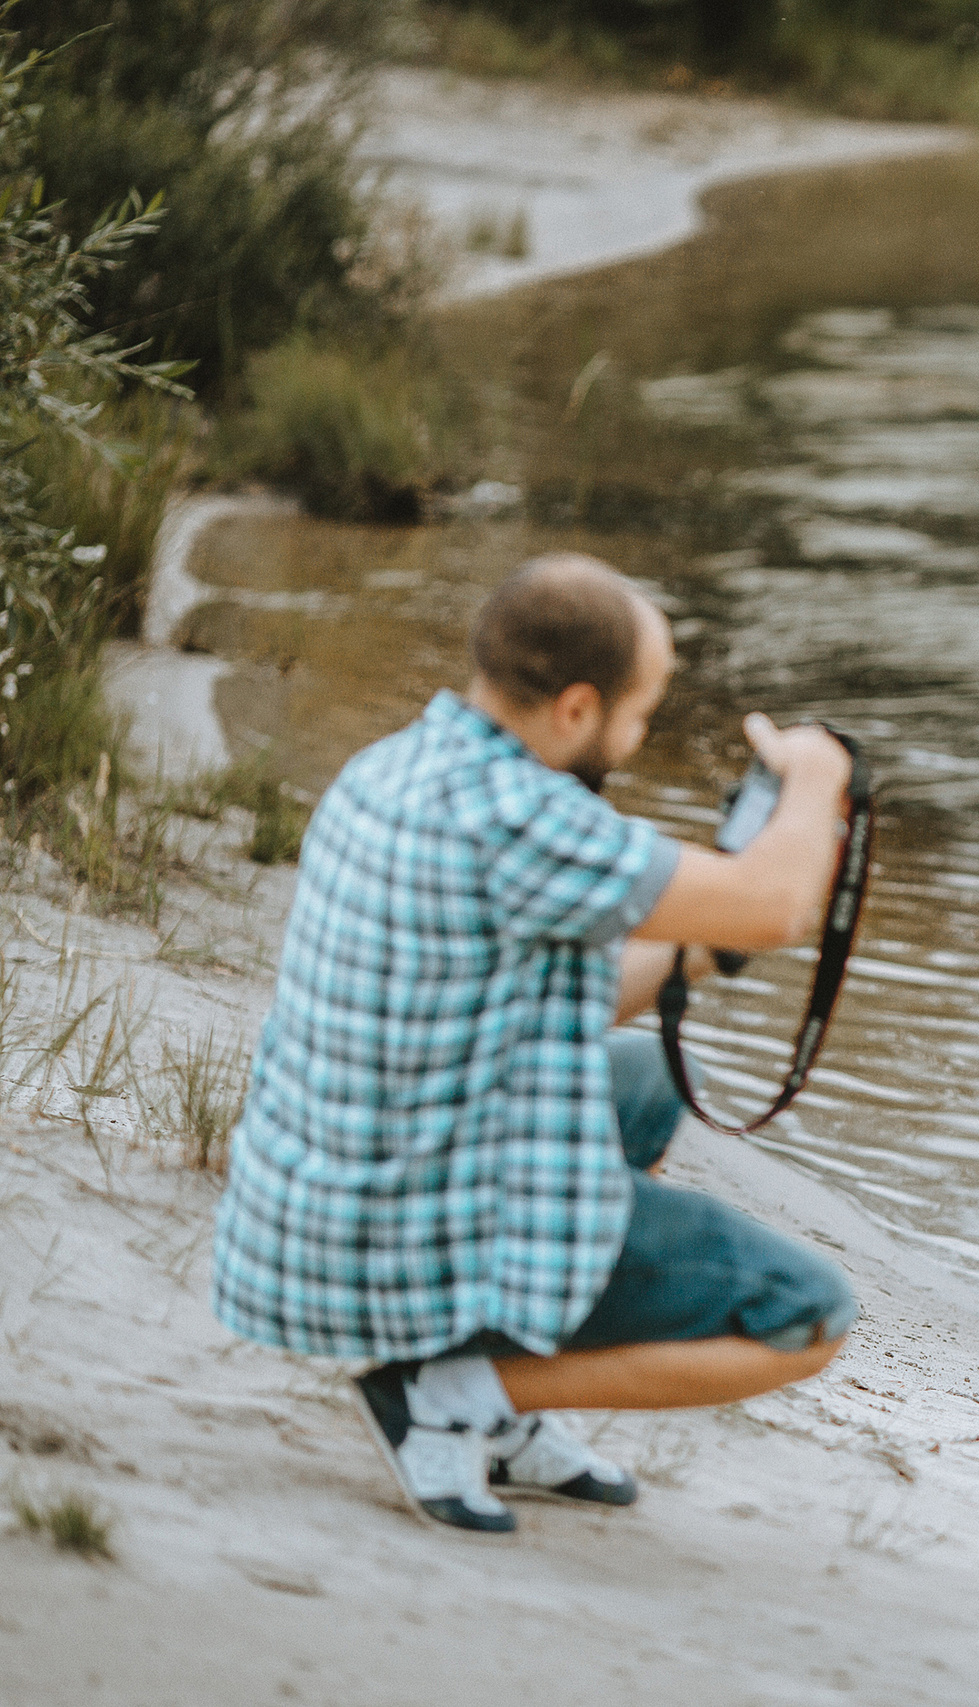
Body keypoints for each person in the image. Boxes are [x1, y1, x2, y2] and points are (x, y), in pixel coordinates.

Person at [211, 553, 861, 1535]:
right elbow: (776, 903)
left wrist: (700, 948)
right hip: (397, 1241)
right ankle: (449, 1389)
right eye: (641, 712)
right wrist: (816, 783)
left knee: (645, 1080)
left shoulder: (397, 765)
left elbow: (556, 993)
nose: (638, 738)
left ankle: (485, 1386)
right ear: (575, 709)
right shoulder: (525, 817)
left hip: (323, 1202)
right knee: (807, 1315)